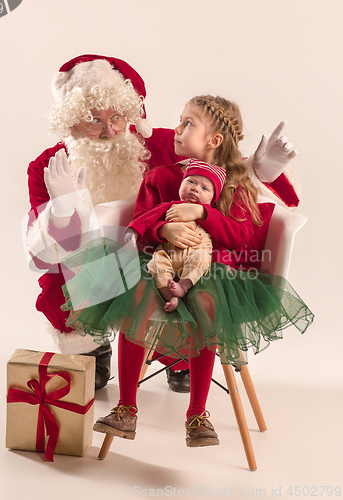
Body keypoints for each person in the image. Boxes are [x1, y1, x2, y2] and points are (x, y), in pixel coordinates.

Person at [25, 53, 303, 392]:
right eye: (93, 120)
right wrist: (63, 211)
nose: (109, 130)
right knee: (61, 284)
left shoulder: (160, 144)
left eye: (118, 117)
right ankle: (92, 347)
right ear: (71, 120)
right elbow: (46, 253)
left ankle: (176, 355)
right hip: (94, 259)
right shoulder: (47, 166)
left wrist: (261, 171)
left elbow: (218, 174)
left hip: (163, 252)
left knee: (176, 281)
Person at [87, 94, 313, 447]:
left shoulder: (235, 186)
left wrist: (204, 214)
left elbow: (239, 236)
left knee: (208, 304)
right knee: (137, 299)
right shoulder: (161, 178)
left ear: (214, 140)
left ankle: (197, 414)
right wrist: (164, 229)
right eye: (180, 121)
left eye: (187, 123)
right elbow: (140, 223)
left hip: (216, 272)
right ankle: (125, 408)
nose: (176, 129)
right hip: (159, 265)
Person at [128, 159, 226, 312]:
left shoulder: (211, 214)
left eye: (205, 188)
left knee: (202, 258)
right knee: (156, 264)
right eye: (191, 181)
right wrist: (132, 232)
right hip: (168, 252)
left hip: (195, 252)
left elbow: (223, 233)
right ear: (181, 184)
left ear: (213, 199)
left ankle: (184, 285)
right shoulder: (169, 206)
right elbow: (145, 219)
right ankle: (171, 297)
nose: (195, 189)